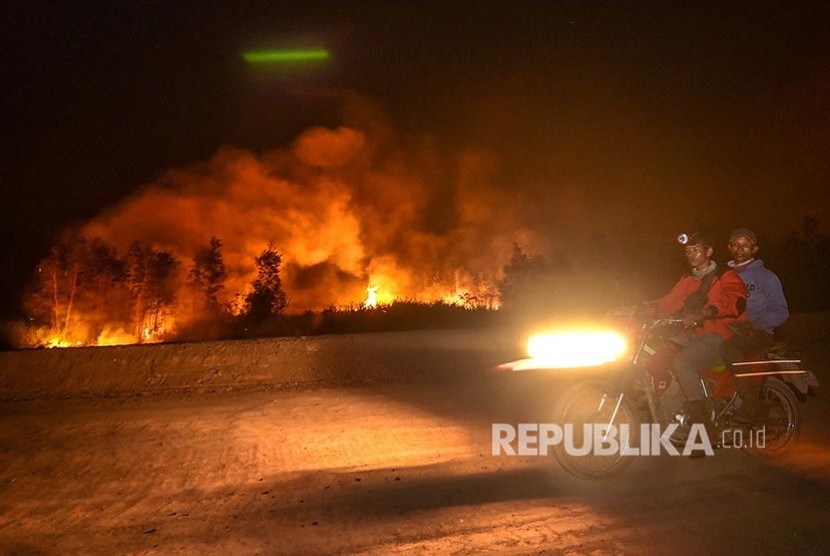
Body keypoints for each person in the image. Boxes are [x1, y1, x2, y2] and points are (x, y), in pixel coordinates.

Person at [646, 232, 747, 428]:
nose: (690, 254)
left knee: (682, 362)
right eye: (687, 251)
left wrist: (706, 312)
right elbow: (669, 302)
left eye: (695, 250)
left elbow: (735, 302)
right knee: (659, 354)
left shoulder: (725, 276)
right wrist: (644, 309)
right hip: (693, 334)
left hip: (720, 335)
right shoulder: (689, 280)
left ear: (708, 252)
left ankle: (702, 423)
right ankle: (673, 408)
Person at [719, 227, 789, 421]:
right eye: (736, 244)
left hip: (758, 334)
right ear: (729, 247)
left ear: (755, 249)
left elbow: (781, 311)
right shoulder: (722, 276)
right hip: (728, 331)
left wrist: (754, 324)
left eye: (746, 244)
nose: (740, 248)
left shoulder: (766, 277)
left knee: (729, 350)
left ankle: (750, 403)